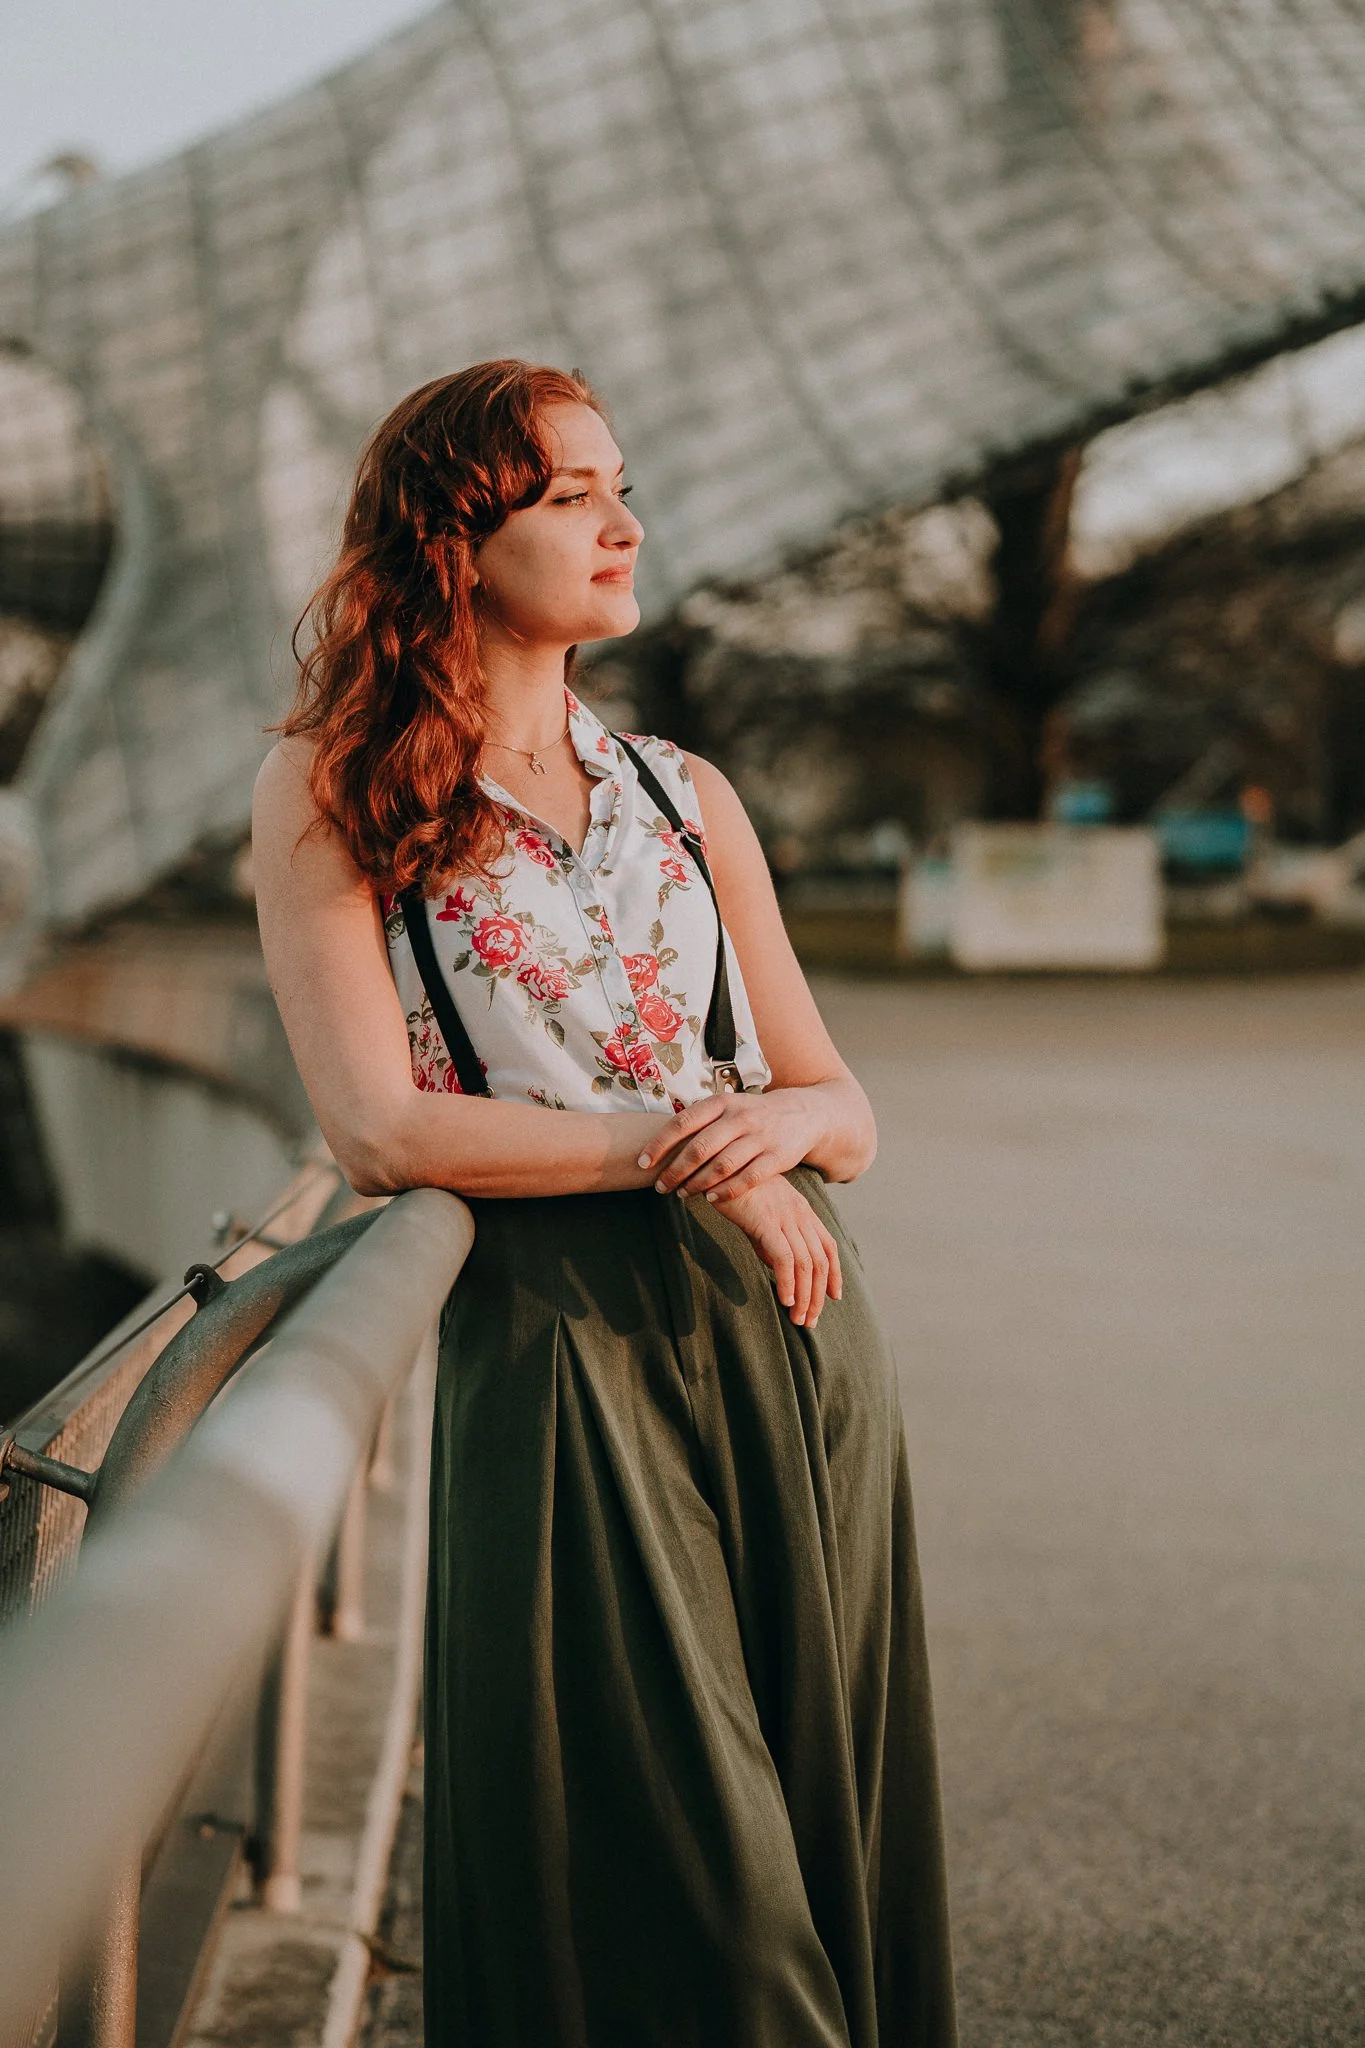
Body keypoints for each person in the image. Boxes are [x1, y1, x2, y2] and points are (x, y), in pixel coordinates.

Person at [251, 360, 957, 2048]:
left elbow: (839, 1107)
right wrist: (688, 1140)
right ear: (454, 536)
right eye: (574, 496)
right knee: (685, 1872)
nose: (626, 525)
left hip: (798, 1334)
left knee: (819, 1809)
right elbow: (373, 1130)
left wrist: (766, 1128)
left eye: (618, 485)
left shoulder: (682, 791)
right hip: (568, 1359)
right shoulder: (335, 787)